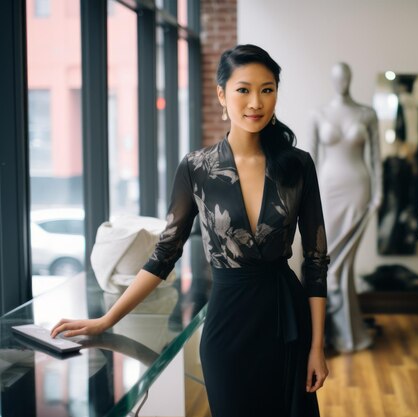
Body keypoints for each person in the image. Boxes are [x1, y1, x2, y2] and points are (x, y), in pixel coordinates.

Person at [51, 44, 330, 417]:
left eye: (267, 89)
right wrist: (107, 319)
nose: (256, 102)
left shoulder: (298, 165)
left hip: (286, 325)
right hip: (227, 332)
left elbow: (315, 261)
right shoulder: (197, 168)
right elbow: (165, 253)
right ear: (222, 94)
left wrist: (317, 346)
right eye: (243, 89)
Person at [309, 62, 381, 352]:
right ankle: (344, 333)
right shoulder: (318, 113)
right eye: (337, 78)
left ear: (351, 79)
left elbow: (377, 158)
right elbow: (310, 161)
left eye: (346, 77)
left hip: (359, 189)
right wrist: (307, 199)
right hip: (328, 190)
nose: (342, 82)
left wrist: (379, 194)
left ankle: (346, 334)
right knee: (330, 260)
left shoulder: (367, 113)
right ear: (332, 80)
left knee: (343, 264)